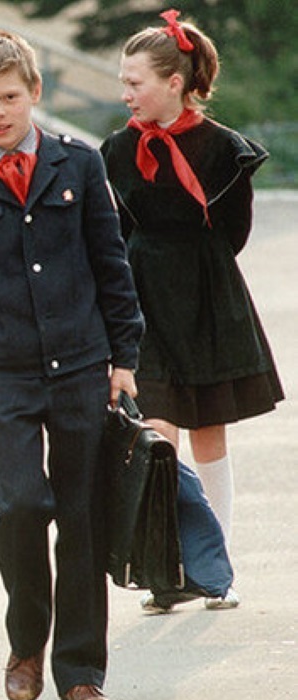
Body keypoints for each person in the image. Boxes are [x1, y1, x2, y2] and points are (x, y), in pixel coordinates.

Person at [0, 30, 143, 700]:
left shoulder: (78, 166)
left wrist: (126, 360)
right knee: (20, 505)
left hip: (81, 369)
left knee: (80, 519)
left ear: (34, 93)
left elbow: (113, 266)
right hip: (7, 378)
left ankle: (80, 674)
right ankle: (25, 643)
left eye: (9, 96)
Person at [100, 8, 282, 614]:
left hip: (207, 296)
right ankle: (167, 569)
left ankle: (216, 569)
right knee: (157, 436)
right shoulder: (116, 150)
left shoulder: (225, 149)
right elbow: (118, 231)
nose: (125, 93)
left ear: (174, 82)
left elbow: (233, 232)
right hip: (144, 298)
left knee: (208, 431)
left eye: (135, 82)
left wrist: (191, 269)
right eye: (123, 82)